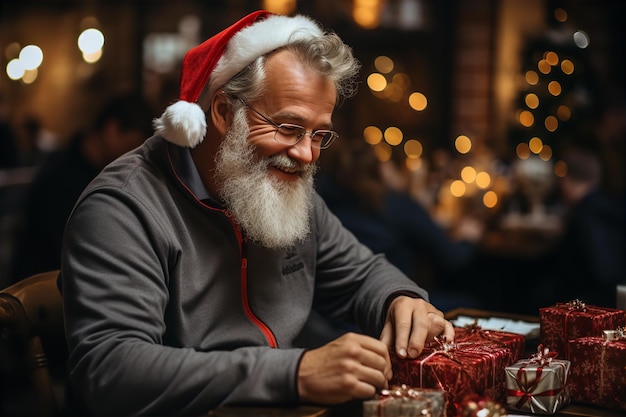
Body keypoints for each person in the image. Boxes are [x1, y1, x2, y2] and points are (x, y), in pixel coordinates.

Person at [60, 10, 454, 416]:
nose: (306, 154)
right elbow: (111, 372)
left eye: (319, 134)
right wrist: (294, 372)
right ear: (224, 112)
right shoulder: (123, 208)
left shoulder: (281, 188)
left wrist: (399, 299)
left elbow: (363, 273)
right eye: (288, 128)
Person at [318, 139, 484, 312]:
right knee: (470, 304)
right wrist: (467, 239)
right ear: (382, 170)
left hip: (336, 315)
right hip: (393, 304)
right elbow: (452, 258)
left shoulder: (324, 204)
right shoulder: (396, 205)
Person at [10, 93, 154, 283]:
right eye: (132, 146)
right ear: (112, 130)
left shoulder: (105, 174)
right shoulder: (59, 176)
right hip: (46, 291)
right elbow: (71, 249)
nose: (135, 157)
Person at [530, 146, 625, 309]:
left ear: (566, 181)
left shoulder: (587, 215)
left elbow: (600, 271)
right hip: (613, 298)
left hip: (589, 304)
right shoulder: (606, 206)